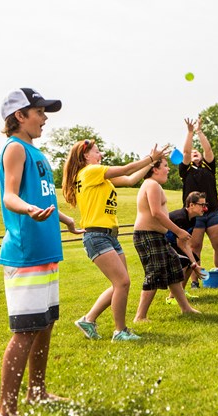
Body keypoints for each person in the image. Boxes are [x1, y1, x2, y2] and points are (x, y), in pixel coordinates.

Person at [0, 88, 82, 416]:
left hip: (46, 251)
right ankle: (4, 414)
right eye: (40, 111)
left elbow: (43, 197)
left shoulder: (36, 152)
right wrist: (29, 210)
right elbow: (10, 196)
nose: (45, 118)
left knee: (44, 325)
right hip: (26, 252)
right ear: (20, 115)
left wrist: (65, 219)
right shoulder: (15, 149)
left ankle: (38, 392)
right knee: (26, 332)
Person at [63, 139, 166, 341]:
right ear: (86, 156)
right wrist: (150, 158)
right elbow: (127, 168)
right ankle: (120, 331)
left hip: (109, 236)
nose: (100, 154)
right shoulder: (90, 172)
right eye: (97, 151)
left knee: (120, 284)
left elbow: (129, 179)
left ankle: (88, 319)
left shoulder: (98, 178)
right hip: (97, 236)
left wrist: (150, 164)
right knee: (122, 282)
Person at [132, 157, 201, 322]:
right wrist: (178, 231)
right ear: (155, 169)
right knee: (154, 273)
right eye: (165, 166)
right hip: (147, 236)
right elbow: (156, 213)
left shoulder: (153, 185)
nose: (168, 169)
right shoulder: (152, 184)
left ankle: (186, 308)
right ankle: (140, 316)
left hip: (157, 236)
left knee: (173, 269)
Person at [179, 117, 218, 286]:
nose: (194, 153)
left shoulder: (208, 166)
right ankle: (194, 281)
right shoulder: (185, 170)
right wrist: (190, 133)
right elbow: (185, 153)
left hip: (213, 212)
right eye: (192, 153)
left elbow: (208, 150)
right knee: (194, 248)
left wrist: (199, 131)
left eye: (196, 152)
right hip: (194, 215)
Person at [166, 191, 207, 287]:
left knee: (194, 260)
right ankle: (172, 297)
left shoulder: (193, 218)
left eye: (205, 204)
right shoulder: (181, 218)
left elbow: (186, 243)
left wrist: (194, 264)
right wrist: (194, 265)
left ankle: (182, 291)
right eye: (202, 205)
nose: (205, 208)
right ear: (191, 205)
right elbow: (181, 245)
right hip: (163, 243)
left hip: (174, 244)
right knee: (184, 262)